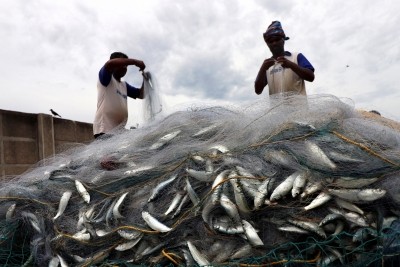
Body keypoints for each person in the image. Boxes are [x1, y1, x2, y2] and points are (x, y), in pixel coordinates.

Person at [93, 52, 146, 139]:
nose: (125, 68)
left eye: (126, 66)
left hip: (119, 132)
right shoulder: (106, 78)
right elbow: (109, 64)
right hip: (105, 129)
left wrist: (145, 79)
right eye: (123, 64)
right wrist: (135, 62)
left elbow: (141, 94)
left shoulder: (124, 85)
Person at [254, 21, 315, 96]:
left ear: (283, 40)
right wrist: (262, 69)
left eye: (277, 40)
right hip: (277, 108)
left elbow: (311, 77)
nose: (274, 43)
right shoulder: (267, 65)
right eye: (271, 41)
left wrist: (291, 65)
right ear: (267, 44)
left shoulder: (296, 56)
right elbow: (258, 91)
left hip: (299, 107)